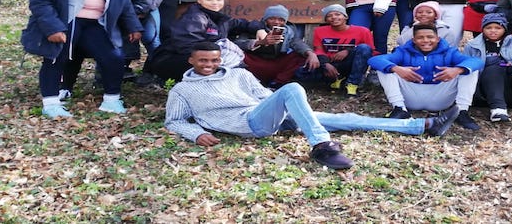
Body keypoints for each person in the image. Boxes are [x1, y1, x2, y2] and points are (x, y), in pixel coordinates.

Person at [164, 42, 460, 170]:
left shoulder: (238, 73)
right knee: (292, 87)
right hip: (249, 124)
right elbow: (174, 121)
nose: (209, 65)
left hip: (270, 113)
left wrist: (289, 110)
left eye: (214, 60)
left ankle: (423, 125)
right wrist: (195, 134)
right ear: (191, 61)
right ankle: (322, 147)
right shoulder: (183, 89)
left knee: (348, 118)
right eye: (203, 61)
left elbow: (263, 93)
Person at [21, 0, 142, 118]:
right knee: (56, 59)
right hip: (65, 23)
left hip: (96, 24)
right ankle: (51, 104)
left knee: (113, 57)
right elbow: (41, 4)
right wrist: (53, 28)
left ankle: (112, 100)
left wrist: (133, 26)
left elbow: (124, 3)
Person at [369, 23, 483, 131]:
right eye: (420, 37)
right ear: (413, 40)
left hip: (440, 96)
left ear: (437, 39)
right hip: (410, 95)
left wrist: (457, 69)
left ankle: (461, 112)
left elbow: (476, 61)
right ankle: (399, 109)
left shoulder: (449, 52)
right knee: (385, 68)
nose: (425, 40)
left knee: (469, 70)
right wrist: (397, 69)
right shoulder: (403, 51)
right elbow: (375, 60)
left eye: (430, 37)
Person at [144, 0, 260, 84]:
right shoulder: (195, 17)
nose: (215, 3)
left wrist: (260, 29)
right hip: (172, 59)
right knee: (217, 62)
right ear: (199, 0)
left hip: (200, 57)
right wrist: (216, 56)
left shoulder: (221, 18)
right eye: (209, 0)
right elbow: (186, 47)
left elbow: (242, 24)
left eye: (218, 0)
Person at [234, 5, 321, 87]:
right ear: (265, 19)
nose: (276, 22)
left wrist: (310, 53)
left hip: (276, 63)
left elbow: (298, 43)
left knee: (301, 56)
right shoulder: (255, 28)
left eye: (281, 20)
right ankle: (249, 81)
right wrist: (260, 42)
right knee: (237, 55)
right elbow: (238, 43)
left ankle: (277, 83)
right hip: (256, 63)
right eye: (272, 18)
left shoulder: (289, 32)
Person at [311, 4, 375, 97]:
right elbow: (319, 50)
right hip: (332, 64)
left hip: (353, 64)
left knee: (364, 48)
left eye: (337, 14)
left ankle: (352, 84)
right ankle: (338, 80)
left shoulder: (363, 31)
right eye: (329, 16)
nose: (333, 17)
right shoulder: (319, 31)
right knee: (301, 73)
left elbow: (369, 50)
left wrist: (348, 51)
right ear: (326, 20)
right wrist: (326, 64)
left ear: (345, 17)